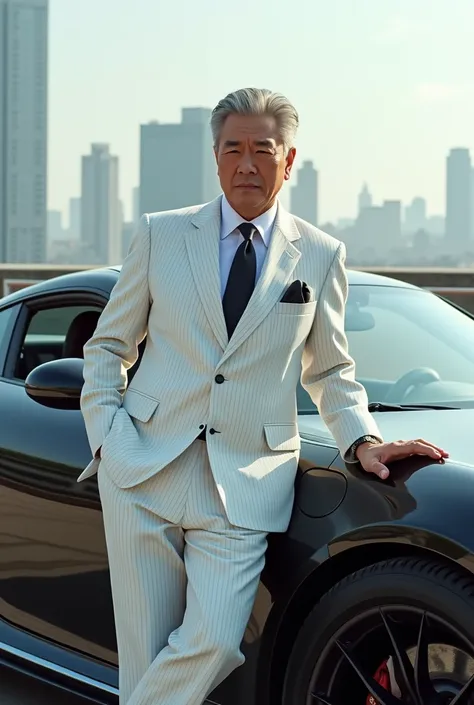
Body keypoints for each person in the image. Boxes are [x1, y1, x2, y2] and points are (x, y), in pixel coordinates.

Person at [78, 87, 448, 705]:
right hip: (142, 470)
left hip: (247, 483)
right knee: (145, 656)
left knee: (217, 642)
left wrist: (363, 440)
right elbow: (106, 348)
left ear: (289, 159)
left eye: (262, 149)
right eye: (233, 148)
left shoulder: (322, 255)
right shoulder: (161, 235)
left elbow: (330, 368)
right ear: (216, 157)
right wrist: (110, 442)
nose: (247, 163)